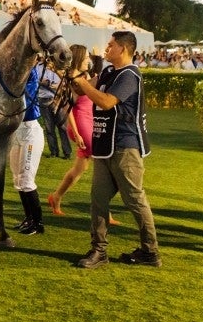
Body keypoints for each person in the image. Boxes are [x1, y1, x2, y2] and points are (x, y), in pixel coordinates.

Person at [66, 31, 160, 269]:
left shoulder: (130, 75)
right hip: (104, 146)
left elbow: (106, 101)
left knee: (135, 200)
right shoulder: (109, 72)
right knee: (98, 201)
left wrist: (83, 82)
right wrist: (75, 76)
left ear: (123, 49)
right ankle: (99, 251)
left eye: (111, 45)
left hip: (125, 147)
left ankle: (150, 251)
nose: (106, 49)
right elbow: (83, 92)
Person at [47, 46, 100, 217]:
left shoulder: (83, 77)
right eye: (85, 58)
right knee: (103, 166)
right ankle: (103, 211)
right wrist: (76, 134)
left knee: (80, 169)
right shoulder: (72, 81)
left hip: (89, 121)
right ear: (77, 59)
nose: (88, 60)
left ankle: (56, 197)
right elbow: (67, 109)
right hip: (81, 124)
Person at [10, 53, 47, 235]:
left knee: (26, 179)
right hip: (17, 131)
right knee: (18, 178)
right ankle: (29, 218)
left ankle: (38, 223)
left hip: (30, 131)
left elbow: (27, 93)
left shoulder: (30, 78)